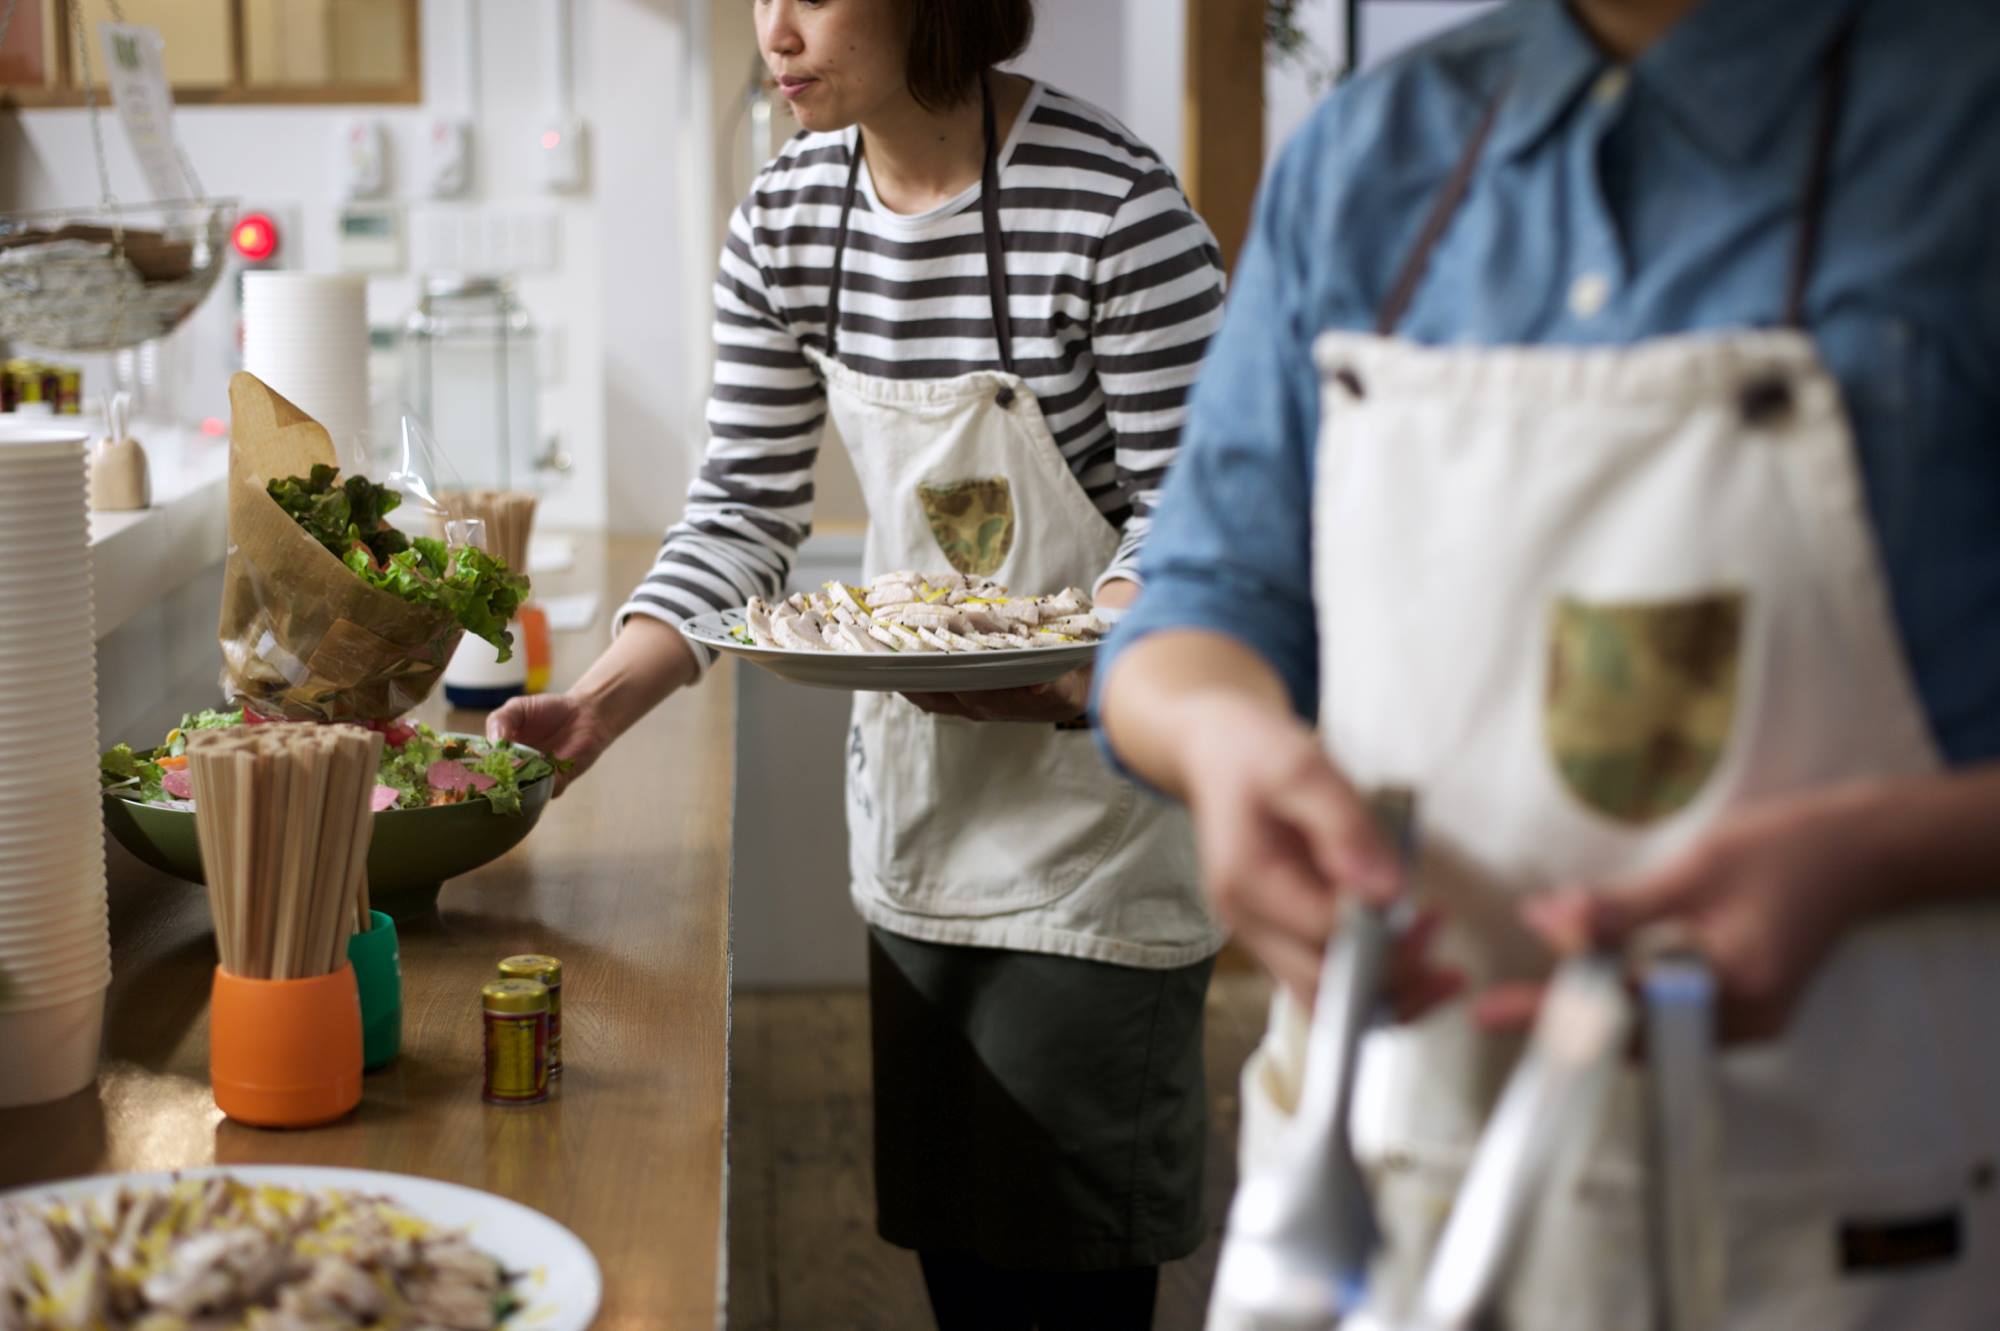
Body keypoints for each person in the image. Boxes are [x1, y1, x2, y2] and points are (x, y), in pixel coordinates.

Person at [1094, 0, 2000, 1324]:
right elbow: (1193, 608)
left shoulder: (1961, 132)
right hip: (1384, 1201)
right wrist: (1226, 744)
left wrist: (1875, 851)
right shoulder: (1367, 158)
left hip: (1856, 1230)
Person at [492, 1, 1228, 1324]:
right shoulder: (787, 215)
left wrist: (1085, 662)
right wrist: (604, 702)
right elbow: (741, 512)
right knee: (961, 1260)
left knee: (1068, 1275)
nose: (772, 29)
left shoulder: (1116, 209)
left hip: (1100, 822)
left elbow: (1212, 513)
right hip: (925, 817)